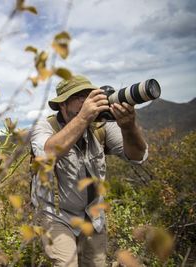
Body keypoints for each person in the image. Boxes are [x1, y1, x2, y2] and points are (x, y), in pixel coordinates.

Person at [30, 75, 148, 267]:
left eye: (89, 95)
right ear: (62, 105)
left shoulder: (101, 126)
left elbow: (138, 156)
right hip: (56, 215)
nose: (86, 101)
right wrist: (83, 118)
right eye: (79, 97)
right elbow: (46, 155)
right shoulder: (44, 126)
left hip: (93, 217)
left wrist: (128, 127)